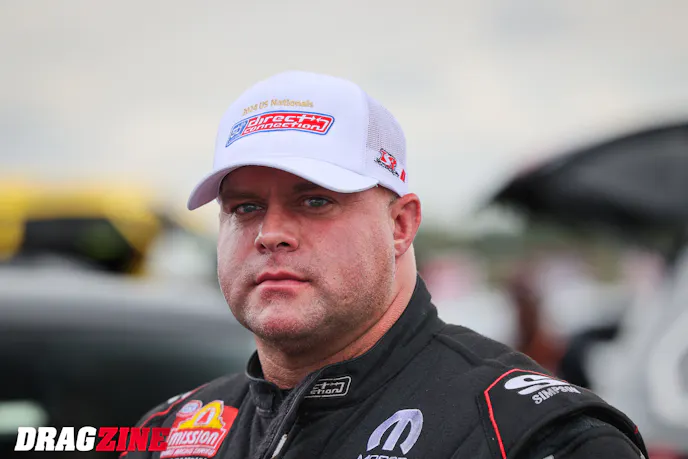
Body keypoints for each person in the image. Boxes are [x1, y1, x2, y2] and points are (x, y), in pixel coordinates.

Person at [124, 71, 648, 459]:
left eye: (315, 201)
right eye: (244, 208)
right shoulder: (167, 433)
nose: (271, 233)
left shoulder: (536, 435)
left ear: (400, 225)